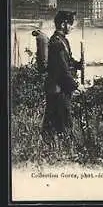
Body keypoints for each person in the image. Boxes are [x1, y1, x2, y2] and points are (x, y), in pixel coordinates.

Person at [42, 11, 84, 139]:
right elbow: (62, 69)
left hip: (59, 88)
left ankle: (50, 146)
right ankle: (65, 149)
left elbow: (68, 61)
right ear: (63, 24)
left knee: (54, 120)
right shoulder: (57, 42)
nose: (71, 27)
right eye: (70, 24)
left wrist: (78, 64)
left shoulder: (62, 40)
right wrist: (75, 86)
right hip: (58, 89)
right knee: (63, 120)